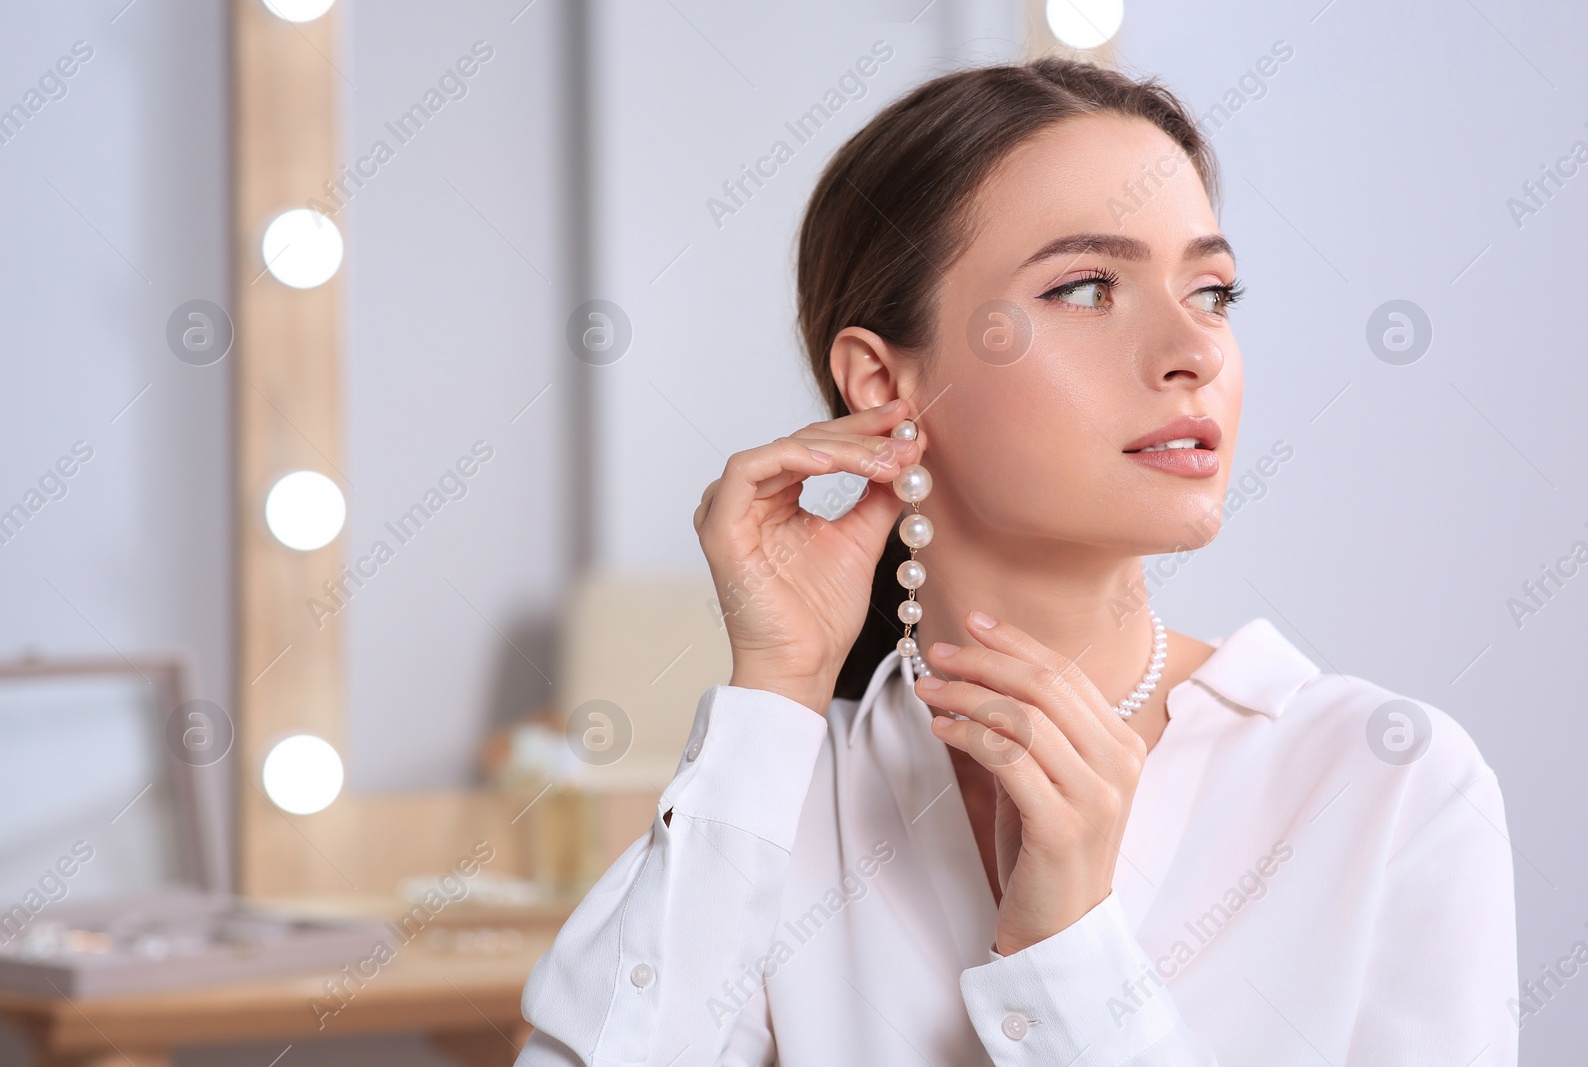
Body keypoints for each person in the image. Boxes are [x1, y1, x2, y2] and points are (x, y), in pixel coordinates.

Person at [515, 56, 1517, 1065]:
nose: (1195, 350)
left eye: (1212, 290)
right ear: (880, 382)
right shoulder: (780, 796)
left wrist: (1069, 948)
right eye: (1087, 287)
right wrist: (775, 688)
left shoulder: (1385, 781)